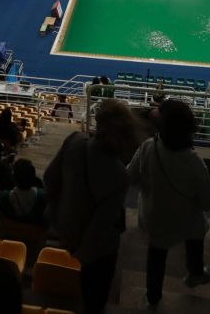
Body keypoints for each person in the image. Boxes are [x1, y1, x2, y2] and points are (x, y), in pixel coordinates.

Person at [45, 98, 143, 314]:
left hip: (67, 232)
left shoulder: (73, 141)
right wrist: (81, 256)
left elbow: (50, 180)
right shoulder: (119, 176)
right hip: (97, 253)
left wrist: (59, 223)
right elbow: (100, 228)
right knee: (94, 302)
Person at [127, 99, 210, 307]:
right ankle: (195, 273)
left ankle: (153, 297)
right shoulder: (195, 162)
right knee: (197, 233)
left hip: (155, 218)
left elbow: (130, 176)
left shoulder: (148, 148)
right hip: (187, 220)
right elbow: (208, 203)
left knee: (156, 257)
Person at [0, 159, 46, 225]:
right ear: (33, 177)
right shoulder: (43, 197)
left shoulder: (4, 197)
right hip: (35, 234)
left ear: (14, 178)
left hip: (10, 233)